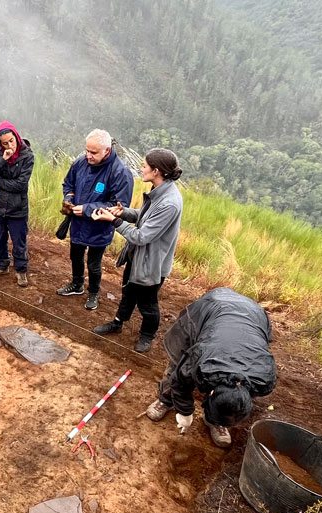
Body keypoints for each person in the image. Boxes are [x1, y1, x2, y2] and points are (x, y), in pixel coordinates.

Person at [143, 287, 277, 448]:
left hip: (254, 315)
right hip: (209, 309)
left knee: (224, 400)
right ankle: (165, 399)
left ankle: (215, 420)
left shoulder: (264, 380)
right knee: (177, 365)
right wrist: (185, 412)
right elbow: (179, 378)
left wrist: (225, 410)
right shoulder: (201, 359)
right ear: (211, 392)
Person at [90, 148, 184, 352]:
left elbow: (141, 236)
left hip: (152, 263)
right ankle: (117, 323)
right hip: (139, 257)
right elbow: (143, 216)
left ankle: (147, 335)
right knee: (128, 293)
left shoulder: (170, 203)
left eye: (144, 166)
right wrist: (123, 212)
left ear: (156, 171)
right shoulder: (160, 192)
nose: (141, 169)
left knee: (147, 304)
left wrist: (114, 220)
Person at [56, 129, 133, 310]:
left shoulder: (120, 172)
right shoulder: (81, 162)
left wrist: (88, 209)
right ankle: (76, 285)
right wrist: (69, 198)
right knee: (75, 255)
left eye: (93, 152)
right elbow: (68, 183)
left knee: (94, 263)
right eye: (87, 151)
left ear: (106, 150)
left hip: (100, 226)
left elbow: (119, 206)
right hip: (77, 221)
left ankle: (93, 292)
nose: (88, 156)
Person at [0, 121, 35, 287]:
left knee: (19, 241)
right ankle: (2, 265)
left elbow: (21, 184)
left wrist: (0, 181)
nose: (9, 145)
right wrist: (3, 161)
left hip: (17, 208)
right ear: (0, 143)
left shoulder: (27, 156)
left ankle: (21, 271)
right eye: (5, 142)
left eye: (11, 140)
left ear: (16, 136)